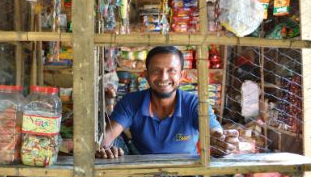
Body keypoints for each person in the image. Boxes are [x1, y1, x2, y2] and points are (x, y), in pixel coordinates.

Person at [97, 46, 239, 159]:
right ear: (146, 75)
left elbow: (215, 133)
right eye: (156, 70)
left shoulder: (195, 104)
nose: (163, 77)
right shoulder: (131, 102)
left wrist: (223, 143)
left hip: (186, 175)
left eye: (171, 70)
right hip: (143, 175)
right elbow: (106, 137)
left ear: (182, 76)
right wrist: (104, 149)